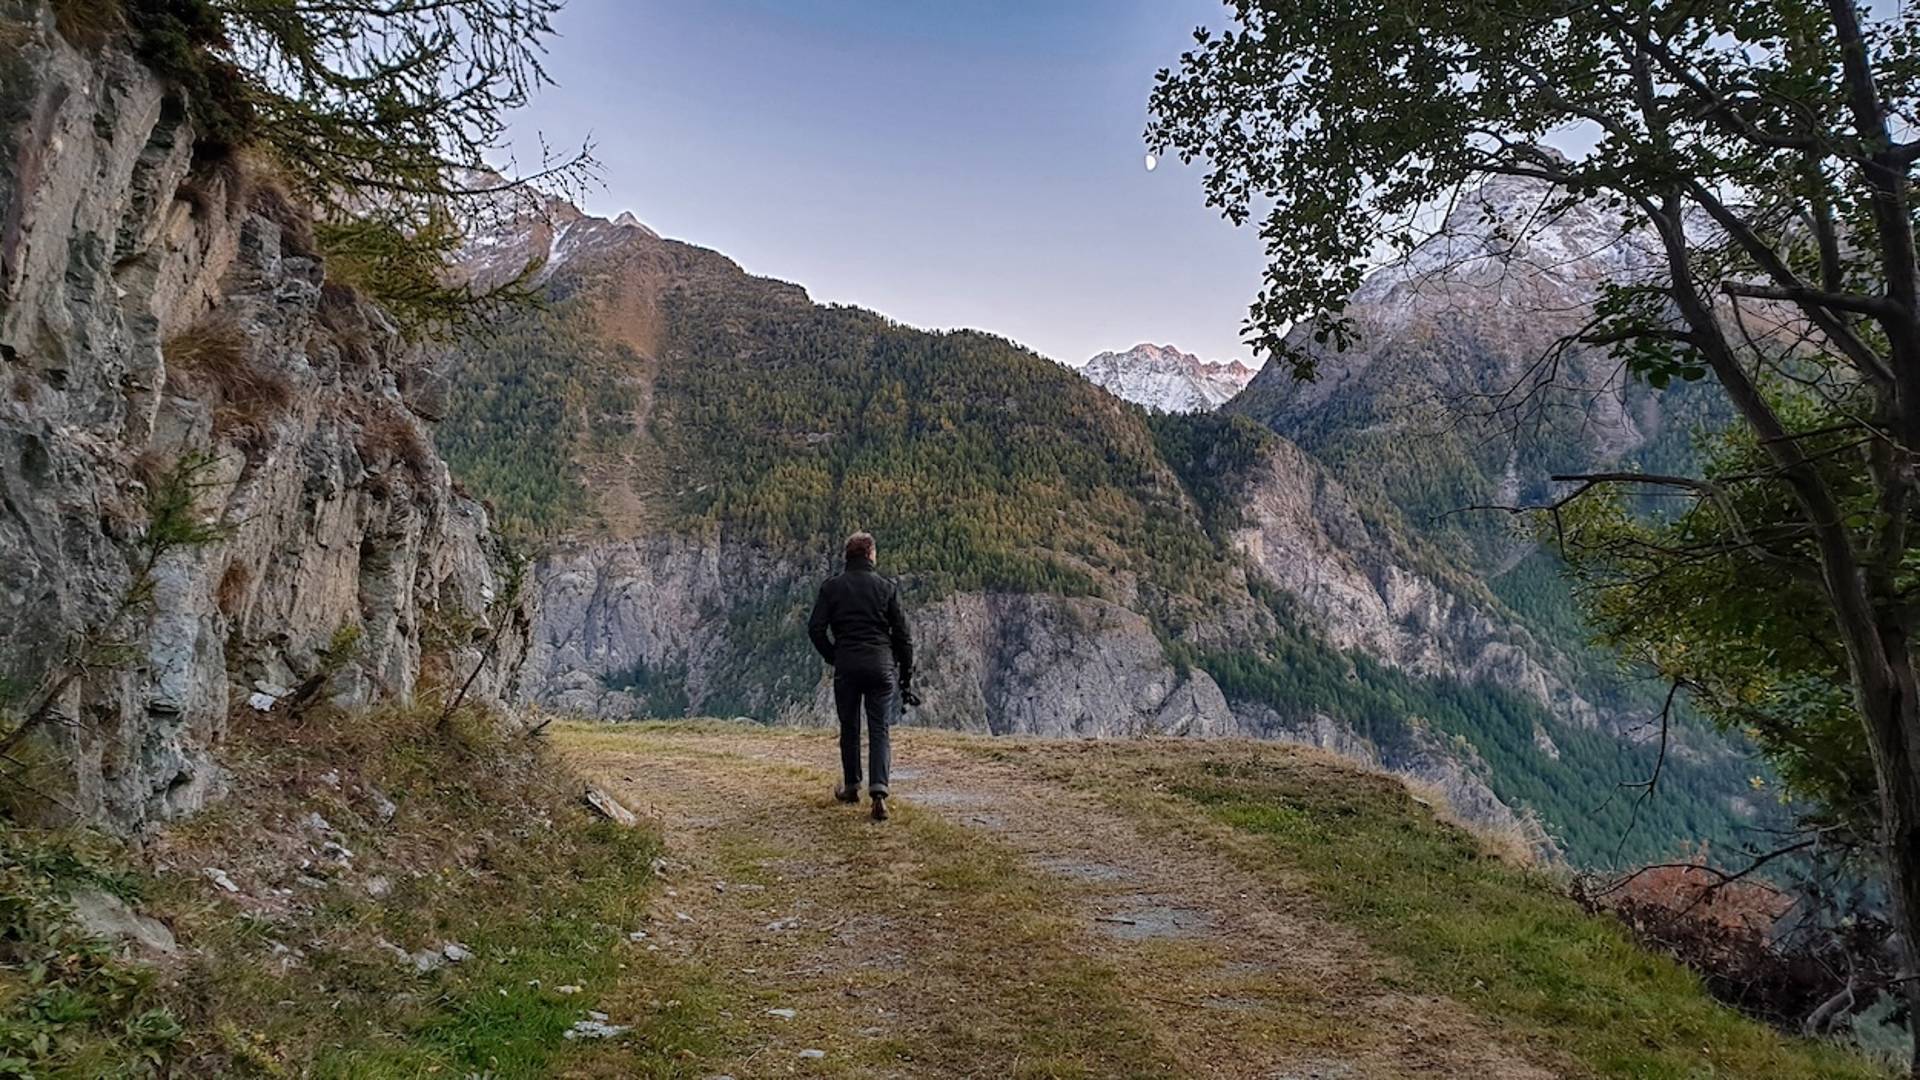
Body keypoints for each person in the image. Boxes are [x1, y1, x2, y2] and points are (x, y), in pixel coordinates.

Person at [807, 531, 914, 821]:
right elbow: (903, 636)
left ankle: (852, 786)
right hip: (880, 666)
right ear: (871, 555)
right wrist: (905, 673)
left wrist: (833, 655)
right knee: (879, 729)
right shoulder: (886, 588)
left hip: (847, 665)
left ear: (847, 555)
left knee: (850, 726)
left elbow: (815, 628)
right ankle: (879, 792)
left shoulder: (832, 588)